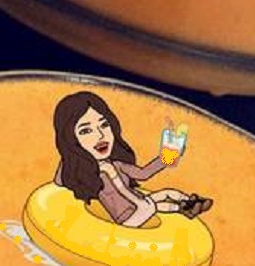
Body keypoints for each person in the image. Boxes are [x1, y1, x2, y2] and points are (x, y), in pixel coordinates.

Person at [53, 91, 213, 228]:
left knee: (167, 194)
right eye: (86, 131)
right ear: (71, 138)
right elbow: (58, 188)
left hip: (140, 204)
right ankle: (185, 206)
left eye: (104, 125)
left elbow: (143, 174)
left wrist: (168, 156)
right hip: (129, 219)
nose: (101, 135)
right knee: (152, 205)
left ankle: (190, 205)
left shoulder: (116, 164)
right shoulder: (85, 172)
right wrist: (68, 157)